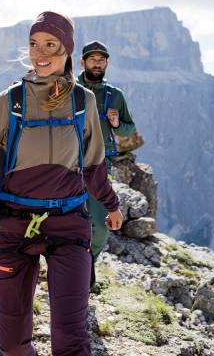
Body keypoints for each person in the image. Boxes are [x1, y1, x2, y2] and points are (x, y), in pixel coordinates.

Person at [0, 11, 123, 356]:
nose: (40, 52)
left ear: (67, 52)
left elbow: (93, 166)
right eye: (34, 44)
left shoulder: (83, 102)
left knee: (71, 341)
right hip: (14, 225)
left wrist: (112, 204)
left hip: (69, 225)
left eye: (51, 44)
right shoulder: (8, 102)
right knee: (14, 345)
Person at [77, 41, 136, 269]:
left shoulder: (115, 96)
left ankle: (86, 270)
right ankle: (61, 269)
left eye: (101, 60)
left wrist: (116, 122)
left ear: (107, 63)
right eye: (93, 59)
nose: (97, 63)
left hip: (101, 164)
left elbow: (128, 130)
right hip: (68, 162)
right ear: (83, 62)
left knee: (100, 225)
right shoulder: (69, 88)